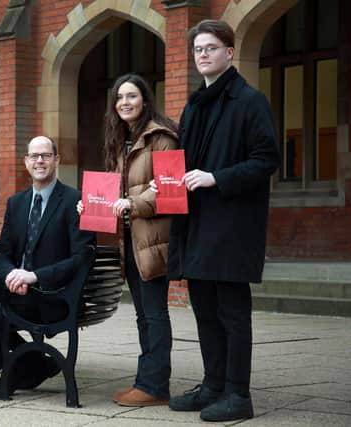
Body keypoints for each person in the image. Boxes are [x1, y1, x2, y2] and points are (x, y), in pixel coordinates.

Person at [162, 20, 280, 422]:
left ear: (229, 52)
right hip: (196, 224)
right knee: (205, 311)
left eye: (211, 48)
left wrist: (217, 177)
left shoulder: (250, 101)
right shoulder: (195, 103)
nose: (203, 55)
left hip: (231, 225)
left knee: (232, 313)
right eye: (198, 50)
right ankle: (213, 385)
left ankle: (238, 394)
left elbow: (267, 160)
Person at [0, 136, 95, 398]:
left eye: (46, 155)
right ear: (26, 162)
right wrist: (11, 276)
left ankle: (15, 370)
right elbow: (2, 254)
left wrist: (33, 276)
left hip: (52, 295)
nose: (39, 160)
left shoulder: (74, 201)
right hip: (17, 287)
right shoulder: (17, 203)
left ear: (56, 160)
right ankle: (34, 364)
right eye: (34, 156)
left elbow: (81, 258)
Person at [77, 74, 178, 406]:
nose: (124, 102)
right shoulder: (122, 141)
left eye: (131, 96)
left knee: (154, 313)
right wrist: (90, 204)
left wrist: (133, 204)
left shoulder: (162, 138)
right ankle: (147, 382)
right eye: (119, 97)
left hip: (153, 241)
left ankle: (154, 386)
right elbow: (115, 194)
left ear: (145, 100)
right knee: (143, 315)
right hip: (130, 243)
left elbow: (170, 189)